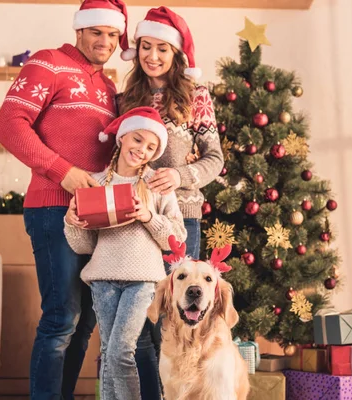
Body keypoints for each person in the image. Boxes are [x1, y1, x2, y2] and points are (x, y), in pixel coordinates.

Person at [0, 0, 133, 397]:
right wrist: (63, 172)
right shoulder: (47, 63)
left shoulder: (108, 86)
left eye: (112, 35)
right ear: (80, 31)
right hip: (53, 207)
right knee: (62, 317)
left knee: (87, 319)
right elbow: (9, 125)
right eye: (97, 32)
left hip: (98, 215)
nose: (105, 41)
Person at [118, 6, 224, 399]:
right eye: (146, 47)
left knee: (177, 318)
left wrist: (180, 176)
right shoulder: (125, 97)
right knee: (141, 319)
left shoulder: (196, 96)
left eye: (162, 48)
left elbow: (215, 159)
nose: (153, 56)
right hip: (132, 220)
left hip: (182, 220)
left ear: (176, 53)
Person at [64, 106, 187, 400]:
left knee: (120, 350)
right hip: (103, 279)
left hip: (142, 281)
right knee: (108, 353)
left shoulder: (156, 185)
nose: (141, 150)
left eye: (150, 147)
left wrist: (148, 216)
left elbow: (176, 240)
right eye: (137, 140)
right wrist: (72, 222)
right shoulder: (93, 182)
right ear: (122, 138)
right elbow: (84, 246)